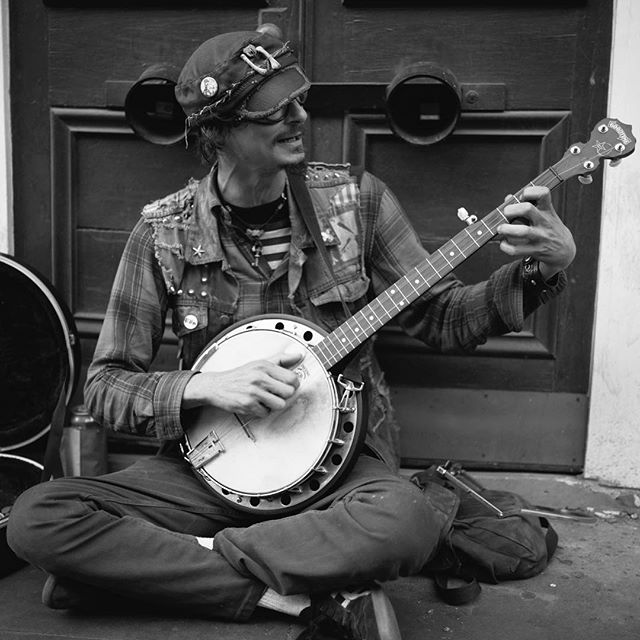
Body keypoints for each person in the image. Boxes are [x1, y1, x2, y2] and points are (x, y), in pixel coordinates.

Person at [7, 27, 576, 640]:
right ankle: (297, 599)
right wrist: (204, 386)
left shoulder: (358, 204)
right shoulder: (161, 234)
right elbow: (106, 387)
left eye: (297, 101)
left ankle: (154, 567)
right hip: (208, 472)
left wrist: (543, 268)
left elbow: (442, 321)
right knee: (39, 517)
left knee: (406, 521)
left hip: (341, 473)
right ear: (216, 131)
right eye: (272, 111)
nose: (298, 117)